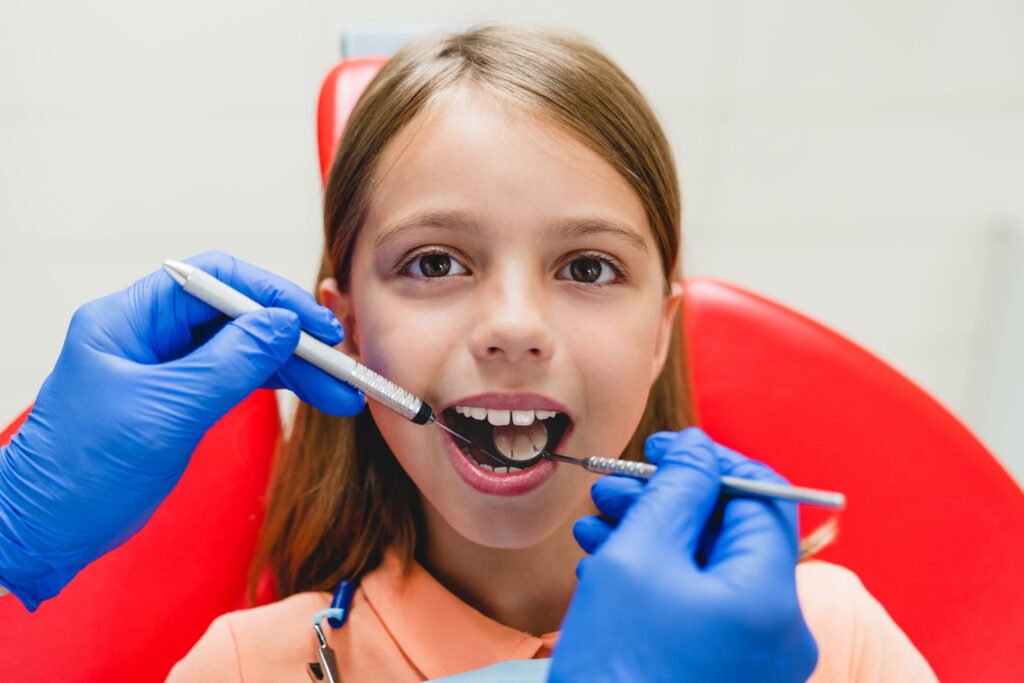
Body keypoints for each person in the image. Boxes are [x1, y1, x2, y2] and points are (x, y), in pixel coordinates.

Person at [161, 25, 934, 682]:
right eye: (436, 263)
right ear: (350, 333)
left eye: (588, 268)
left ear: (660, 331)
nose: (513, 325)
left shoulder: (829, 641)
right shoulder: (247, 665)